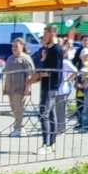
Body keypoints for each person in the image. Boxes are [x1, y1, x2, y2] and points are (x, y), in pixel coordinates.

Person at [32, 24, 64, 153]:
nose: (44, 36)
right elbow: (45, 67)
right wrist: (43, 59)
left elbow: (54, 71)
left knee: (43, 113)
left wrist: (37, 75)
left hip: (52, 85)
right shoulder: (47, 50)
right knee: (50, 114)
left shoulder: (56, 49)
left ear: (52, 33)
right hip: (45, 84)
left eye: (45, 33)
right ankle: (51, 143)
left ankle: (46, 144)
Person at [2, 38, 35, 137]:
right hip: (11, 88)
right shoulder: (10, 58)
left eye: (16, 46)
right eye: (13, 46)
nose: (14, 48)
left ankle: (18, 128)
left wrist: (27, 89)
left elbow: (29, 74)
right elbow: (6, 74)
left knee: (18, 108)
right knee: (13, 108)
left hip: (20, 88)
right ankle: (20, 126)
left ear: (22, 46)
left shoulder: (25, 59)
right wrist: (5, 87)